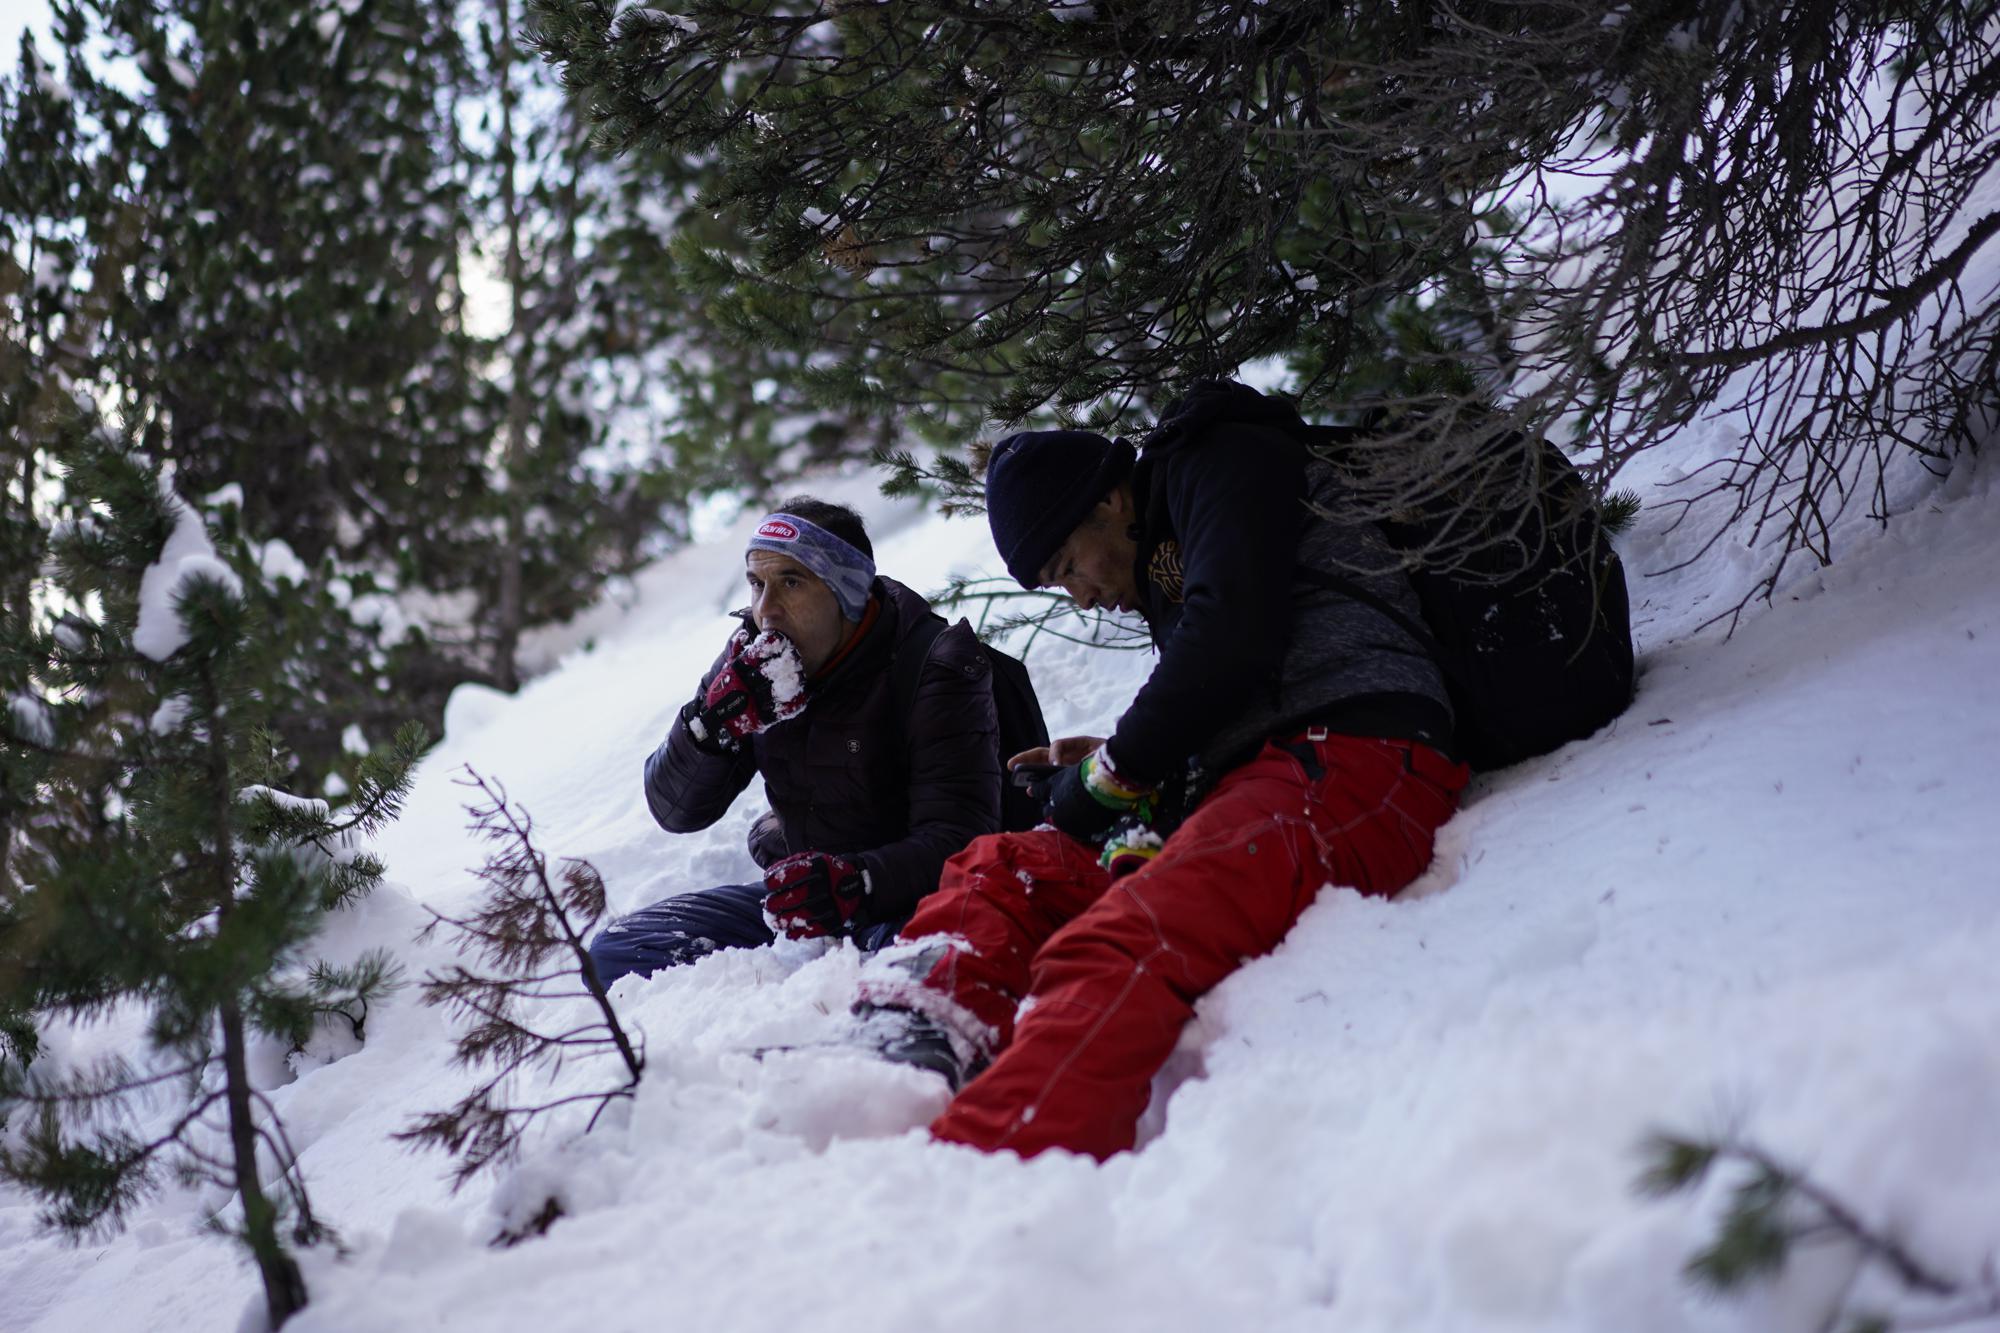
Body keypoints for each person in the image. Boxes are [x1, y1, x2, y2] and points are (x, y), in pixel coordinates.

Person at [853, 381, 1471, 1160]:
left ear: (1112, 499)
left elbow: (1235, 639)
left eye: (1069, 564)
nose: (1078, 594)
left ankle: (978, 1170)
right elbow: (1228, 683)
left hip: (1357, 758)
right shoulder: (1172, 541)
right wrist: (1118, 765)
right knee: (1003, 865)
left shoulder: (1224, 455)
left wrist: (1112, 774)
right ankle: (896, 1062)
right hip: (1267, 777)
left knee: (1118, 942)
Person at [588, 497, 1001, 986]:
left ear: (847, 591)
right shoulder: (752, 656)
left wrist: (855, 882)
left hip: (907, 901)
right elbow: (675, 811)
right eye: (758, 584)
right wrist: (709, 729)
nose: (766, 609)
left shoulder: (934, 663)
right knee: (618, 949)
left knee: (924, 971)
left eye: (791, 582)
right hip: (809, 899)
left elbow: (960, 844)